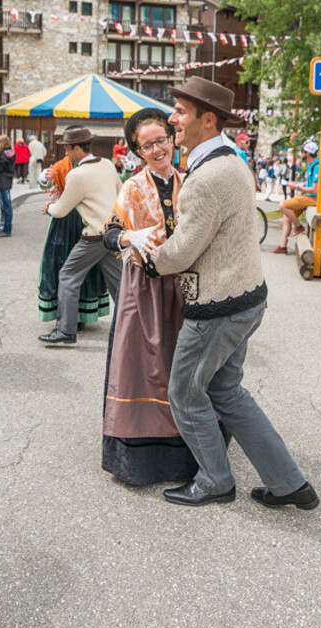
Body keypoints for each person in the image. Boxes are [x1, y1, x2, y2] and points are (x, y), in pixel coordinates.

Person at [141, 76, 318, 509]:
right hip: (246, 298)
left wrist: (148, 256)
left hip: (217, 307)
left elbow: (181, 252)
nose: (172, 118)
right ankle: (289, 483)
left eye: (181, 112)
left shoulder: (206, 176)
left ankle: (216, 481)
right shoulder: (232, 160)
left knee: (185, 393)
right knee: (227, 392)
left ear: (208, 119)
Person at [101, 107, 198, 485]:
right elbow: (109, 232)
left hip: (185, 287)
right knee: (142, 368)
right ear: (137, 152)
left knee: (183, 367)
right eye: (147, 145)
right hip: (144, 288)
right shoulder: (131, 187)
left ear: (172, 140)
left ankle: (190, 455)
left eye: (162, 140)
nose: (157, 149)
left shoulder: (190, 181)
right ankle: (143, 461)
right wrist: (130, 237)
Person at [38, 128, 122, 345]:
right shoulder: (108, 165)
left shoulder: (77, 175)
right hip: (112, 232)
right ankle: (134, 326)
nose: (66, 153)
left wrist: (49, 208)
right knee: (120, 284)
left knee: (67, 276)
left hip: (93, 236)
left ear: (77, 148)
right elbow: (121, 193)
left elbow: (62, 209)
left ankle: (65, 331)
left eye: (67, 148)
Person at [271, 141, 321, 254]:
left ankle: (299, 226)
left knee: (283, 205)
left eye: (302, 151)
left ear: (307, 153)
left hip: (313, 198)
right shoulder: (313, 165)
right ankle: (282, 247)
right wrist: (297, 183)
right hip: (309, 196)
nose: (301, 153)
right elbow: (310, 184)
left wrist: (297, 187)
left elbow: (315, 190)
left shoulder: (317, 167)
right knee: (287, 218)